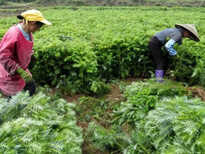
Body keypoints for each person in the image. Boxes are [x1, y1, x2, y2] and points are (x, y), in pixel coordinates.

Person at [0, 9, 51, 98]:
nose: (39, 29)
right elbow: (3, 56)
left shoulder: (28, 33)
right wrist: (20, 71)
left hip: (21, 69)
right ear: (32, 23)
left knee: (31, 87)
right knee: (12, 100)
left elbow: (22, 47)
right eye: (39, 26)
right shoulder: (14, 34)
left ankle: (25, 106)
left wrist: (29, 55)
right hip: (9, 72)